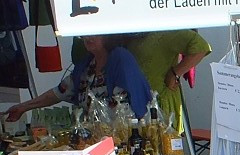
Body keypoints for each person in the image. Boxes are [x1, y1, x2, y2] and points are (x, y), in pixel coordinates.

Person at [3, 34, 151, 123]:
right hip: (96, 141)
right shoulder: (86, 66)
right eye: (85, 33)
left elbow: (136, 103)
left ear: (107, 35)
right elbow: (57, 93)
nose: (87, 37)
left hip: (126, 140)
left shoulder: (121, 58)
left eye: (94, 33)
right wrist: (23, 107)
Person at [128, 30, 212, 135]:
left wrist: (175, 73)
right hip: (133, 104)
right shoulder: (130, 29)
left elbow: (201, 47)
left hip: (160, 104)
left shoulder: (165, 30)